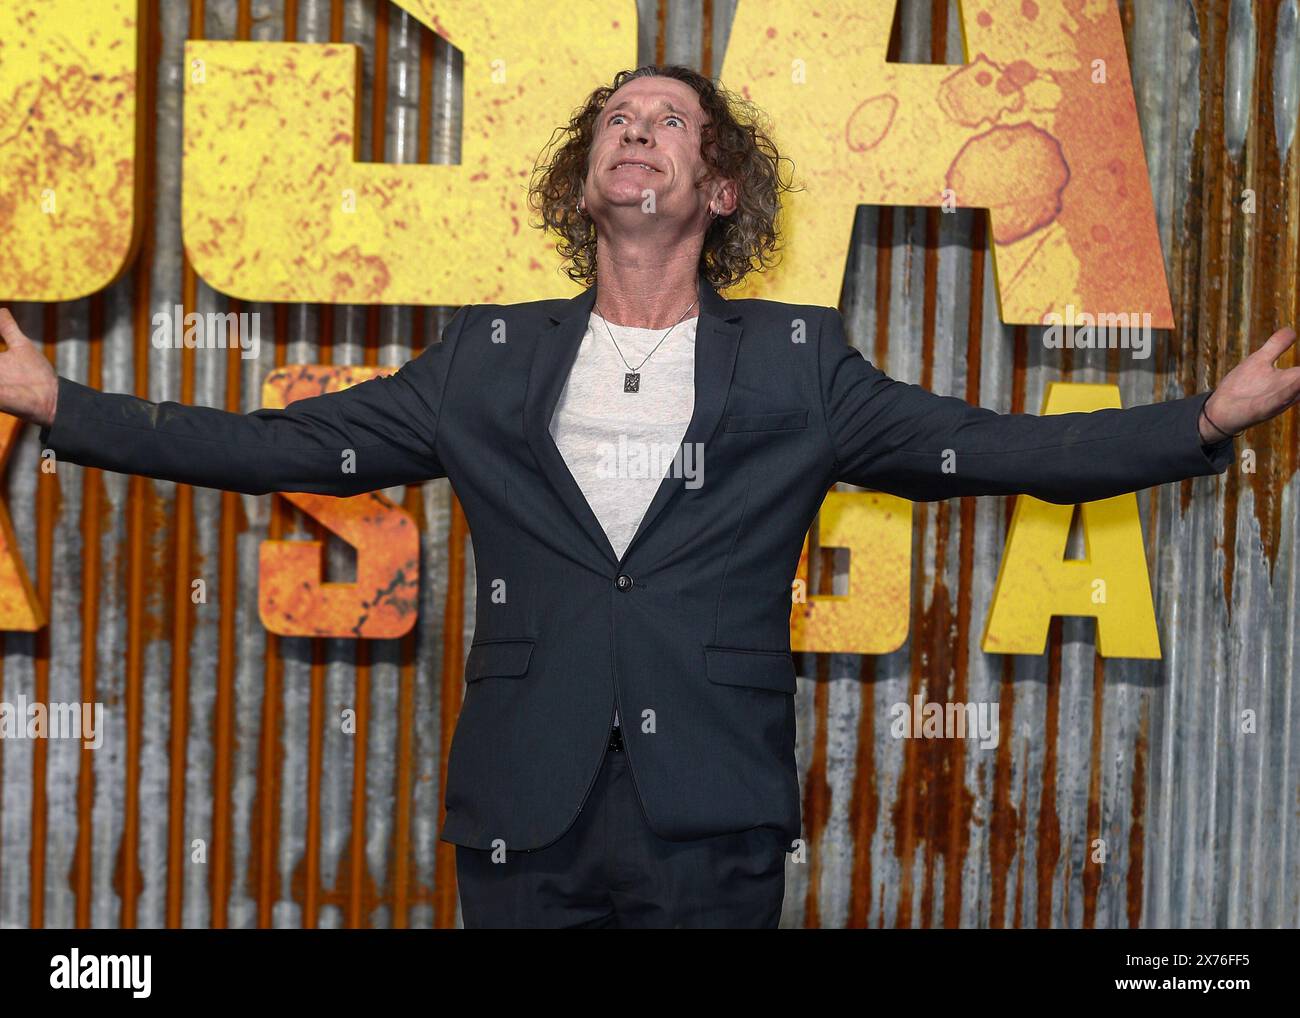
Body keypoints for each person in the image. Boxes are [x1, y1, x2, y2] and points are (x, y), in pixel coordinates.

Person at [2, 65, 1298, 929]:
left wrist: (1199, 420)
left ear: (720, 190)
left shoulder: (799, 365)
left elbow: (996, 446)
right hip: (522, 807)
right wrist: (60, 399)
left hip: (712, 812)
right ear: (583, 185)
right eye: (619, 116)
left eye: (671, 119)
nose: (638, 128)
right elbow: (285, 448)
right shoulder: (488, 356)